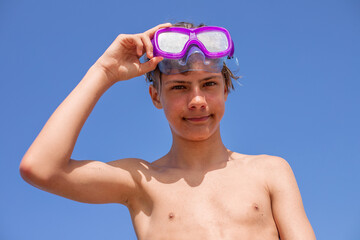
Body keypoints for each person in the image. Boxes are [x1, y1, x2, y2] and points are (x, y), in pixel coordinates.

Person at [20, 22, 316, 239]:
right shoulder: (142, 182)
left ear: (226, 89)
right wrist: (104, 72)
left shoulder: (270, 171)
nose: (197, 100)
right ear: (156, 97)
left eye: (209, 84)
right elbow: (41, 167)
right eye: (179, 87)